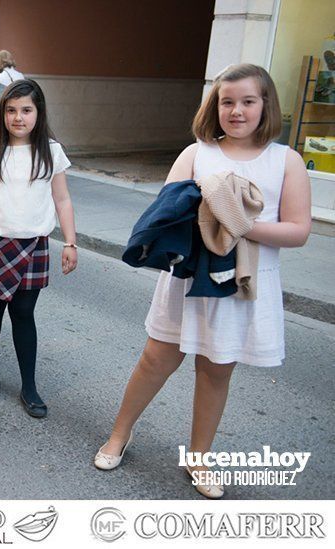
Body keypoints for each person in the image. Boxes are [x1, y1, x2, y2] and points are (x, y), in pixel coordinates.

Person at [93, 64, 311, 499]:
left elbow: (299, 231)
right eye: (227, 101)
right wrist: (210, 215)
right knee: (155, 360)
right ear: (214, 106)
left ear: (266, 105)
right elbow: (166, 216)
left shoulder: (285, 160)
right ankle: (119, 435)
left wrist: (236, 223)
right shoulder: (196, 153)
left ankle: (199, 457)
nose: (236, 110)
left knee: (215, 372)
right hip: (190, 276)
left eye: (248, 101)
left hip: (242, 284)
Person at [0, 79, 77, 419]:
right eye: (11, 110)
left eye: (26, 110)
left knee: (24, 315)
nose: (18, 117)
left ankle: (29, 386)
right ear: (2, 114)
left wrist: (70, 242)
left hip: (34, 246)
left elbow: (62, 198)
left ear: (38, 113)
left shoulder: (50, 151)